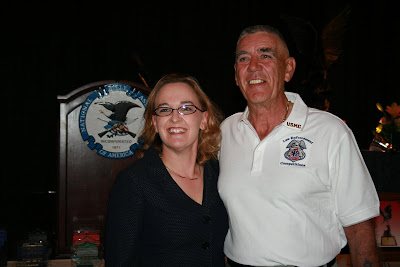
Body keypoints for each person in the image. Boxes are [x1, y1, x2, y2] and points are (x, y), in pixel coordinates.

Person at [218, 25, 380, 266]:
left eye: (265, 55)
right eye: (244, 58)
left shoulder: (330, 131)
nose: (253, 66)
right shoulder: (225, 131)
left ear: (288, 69)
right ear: (235, 74)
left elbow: (359, 228)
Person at [105, 73, 228, 266]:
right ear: (154, 123)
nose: (174, 118)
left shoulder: (220, 175)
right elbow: (119, 260)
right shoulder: (133, 182)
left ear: (204, 120)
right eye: (164, 110)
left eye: (186, 108)